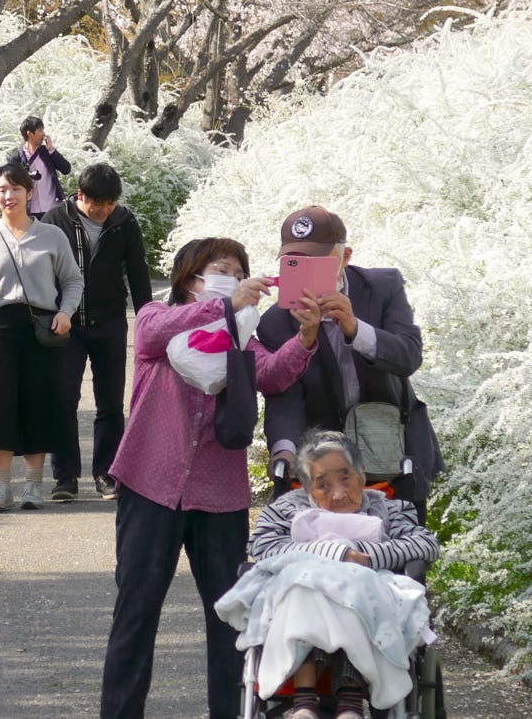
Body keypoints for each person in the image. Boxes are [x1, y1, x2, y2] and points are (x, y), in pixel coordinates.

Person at [98, 238, 322, 719]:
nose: (232, 279)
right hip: (149, 483)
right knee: (136, 613)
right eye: (220, 270)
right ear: (190, 277)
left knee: (229, 618)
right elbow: (152, 335)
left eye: (238, 273)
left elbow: (272, 375)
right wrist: (224, 305)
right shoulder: (159, 315)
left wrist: (305, 338)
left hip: (219, 494)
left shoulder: (243, 335)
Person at [254, 206, 442, 518]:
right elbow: (285, 396)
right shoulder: (276, 322)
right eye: (295, 262)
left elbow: (409, 356)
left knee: (403, 542)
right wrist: (285, 452)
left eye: (318, 261)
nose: (306, 270)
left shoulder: (382, 287)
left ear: (345, 257)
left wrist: (355, 328)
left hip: (394, 450)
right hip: (326, 465)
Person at [242, 431, 441, 718]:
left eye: (345, 478)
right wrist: (337, 553)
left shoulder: (389, 508)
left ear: (361, 474)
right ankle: (304, 701)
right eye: (322, 484)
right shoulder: (286, 510)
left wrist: (364, 556)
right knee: (306, 587)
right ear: (308, 489)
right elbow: (263, 547)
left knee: (353, 590)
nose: (338, 494)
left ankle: (350, 701)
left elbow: (424, 543)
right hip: (305, 593)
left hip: (364, 593)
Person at [0, 162, 83, 512]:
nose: (9, 195)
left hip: (41, 327)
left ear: (30, 193)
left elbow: (73, 280)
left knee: (37, 402)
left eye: (16, 188)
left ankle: (33, 484)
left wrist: (65, 313)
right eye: (2, 189)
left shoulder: (51, 236)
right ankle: (0, 485)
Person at [38, 161, 152, 501]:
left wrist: (149, 321)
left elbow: (138, 273)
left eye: (110, 203)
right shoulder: (55, 220)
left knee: (110, 403)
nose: (104, 210)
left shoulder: (124, 221)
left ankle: (107, 473)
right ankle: (65, 477)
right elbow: (40, 272)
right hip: (65, 324)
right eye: (98, 203)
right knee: (63, 400)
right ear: (80, 195)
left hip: (110, 321)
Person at [5, 115, 72, 217]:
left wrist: (52, 150)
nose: (43, 134)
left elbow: (66, 169)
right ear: (29, 133)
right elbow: (11, 181)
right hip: (29, 209)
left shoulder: (47, 152)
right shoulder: (16, 156)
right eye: (40, 130)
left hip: (52, 207)